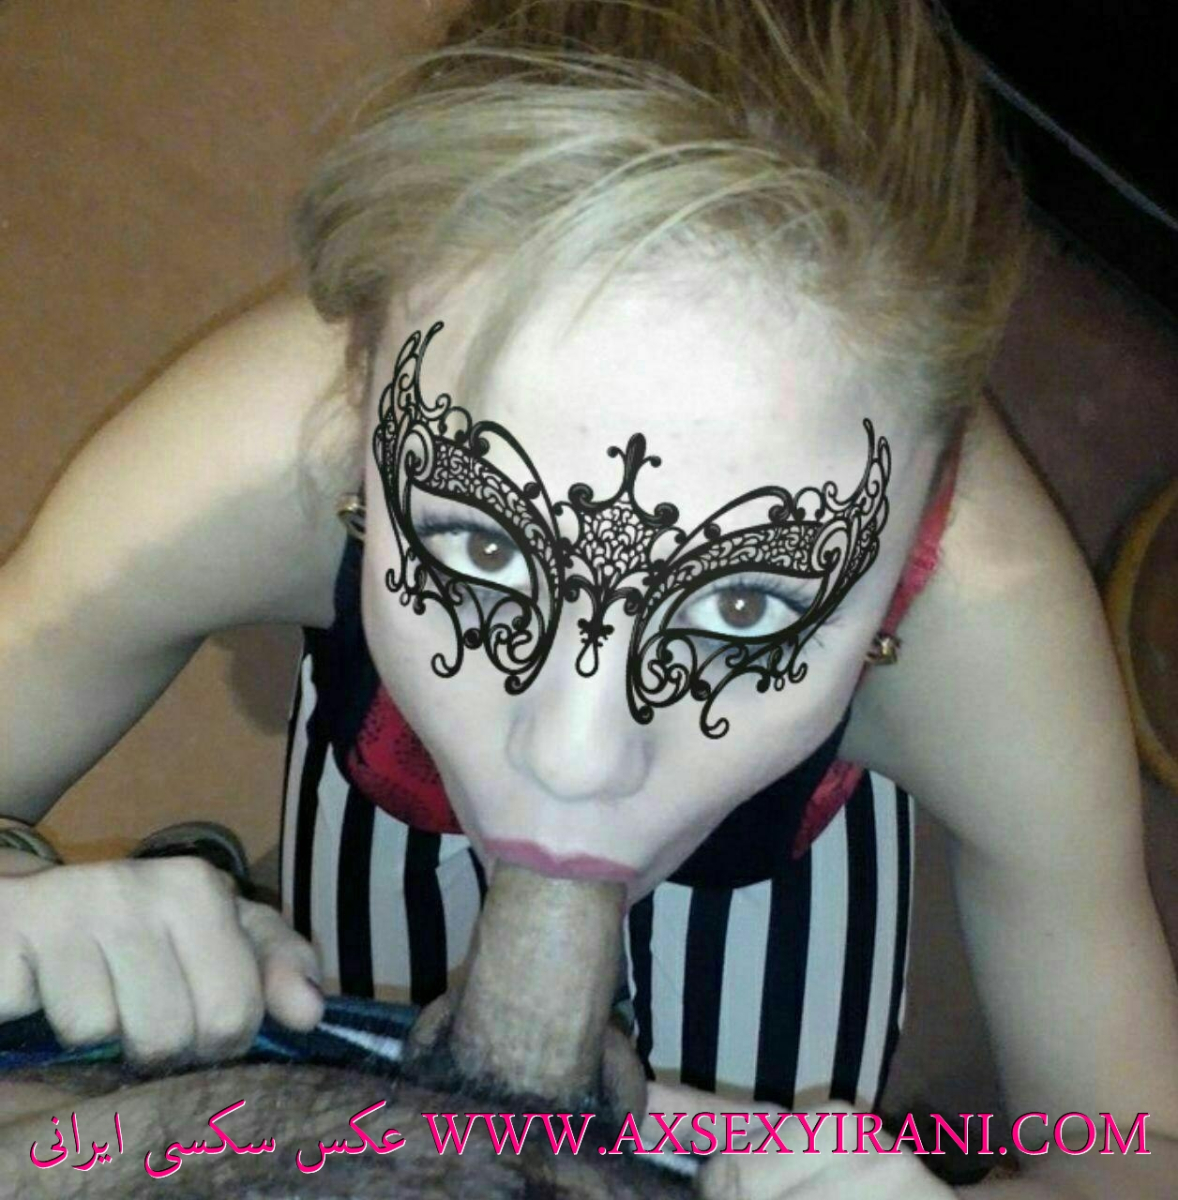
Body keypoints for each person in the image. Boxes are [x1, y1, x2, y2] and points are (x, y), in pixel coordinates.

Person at [1, 2, 1175, 1197]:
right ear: (358, 396)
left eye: (741, 611)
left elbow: (1137, 1157)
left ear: (916, 528)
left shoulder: (988, 637)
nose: (572, 757)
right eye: (477, 546)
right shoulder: (255, 460)